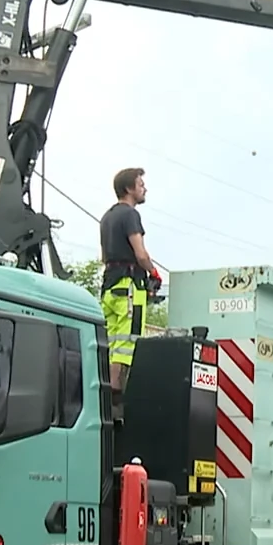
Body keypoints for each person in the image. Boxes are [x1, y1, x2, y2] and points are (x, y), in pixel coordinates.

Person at [100, 166, 160, 390]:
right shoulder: (131, 215)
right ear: (128, 188)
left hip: (109, 287)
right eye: (141, 184)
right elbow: (141, 254)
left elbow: (104, 256)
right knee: (126, 345)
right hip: (129, 288)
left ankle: (103, 393)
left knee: (110, 343)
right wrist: (153, 273)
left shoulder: (107, 217)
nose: (145, 188)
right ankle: (116, 395)